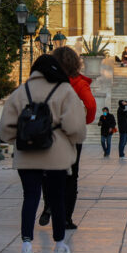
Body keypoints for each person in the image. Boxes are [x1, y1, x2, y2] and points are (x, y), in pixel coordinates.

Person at [2, 54, 86, 253]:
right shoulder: (65, 90)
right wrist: (68, 139)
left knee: (30, 196)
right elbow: (76, 127)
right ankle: (59, 244)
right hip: (55, 154)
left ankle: (27, 246)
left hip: (27, 154)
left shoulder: (21, 91)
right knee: (56, 198)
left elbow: (5, 129)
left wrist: (21, 139)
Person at [39, 45, 96, 231]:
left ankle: (49, 202)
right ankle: (65, 218)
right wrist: (84, 121)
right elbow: (91, 105)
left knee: (48, 171)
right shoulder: (78, 82)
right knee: (71, 176)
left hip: (49, 132)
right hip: (71, 134)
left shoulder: (47, 81)